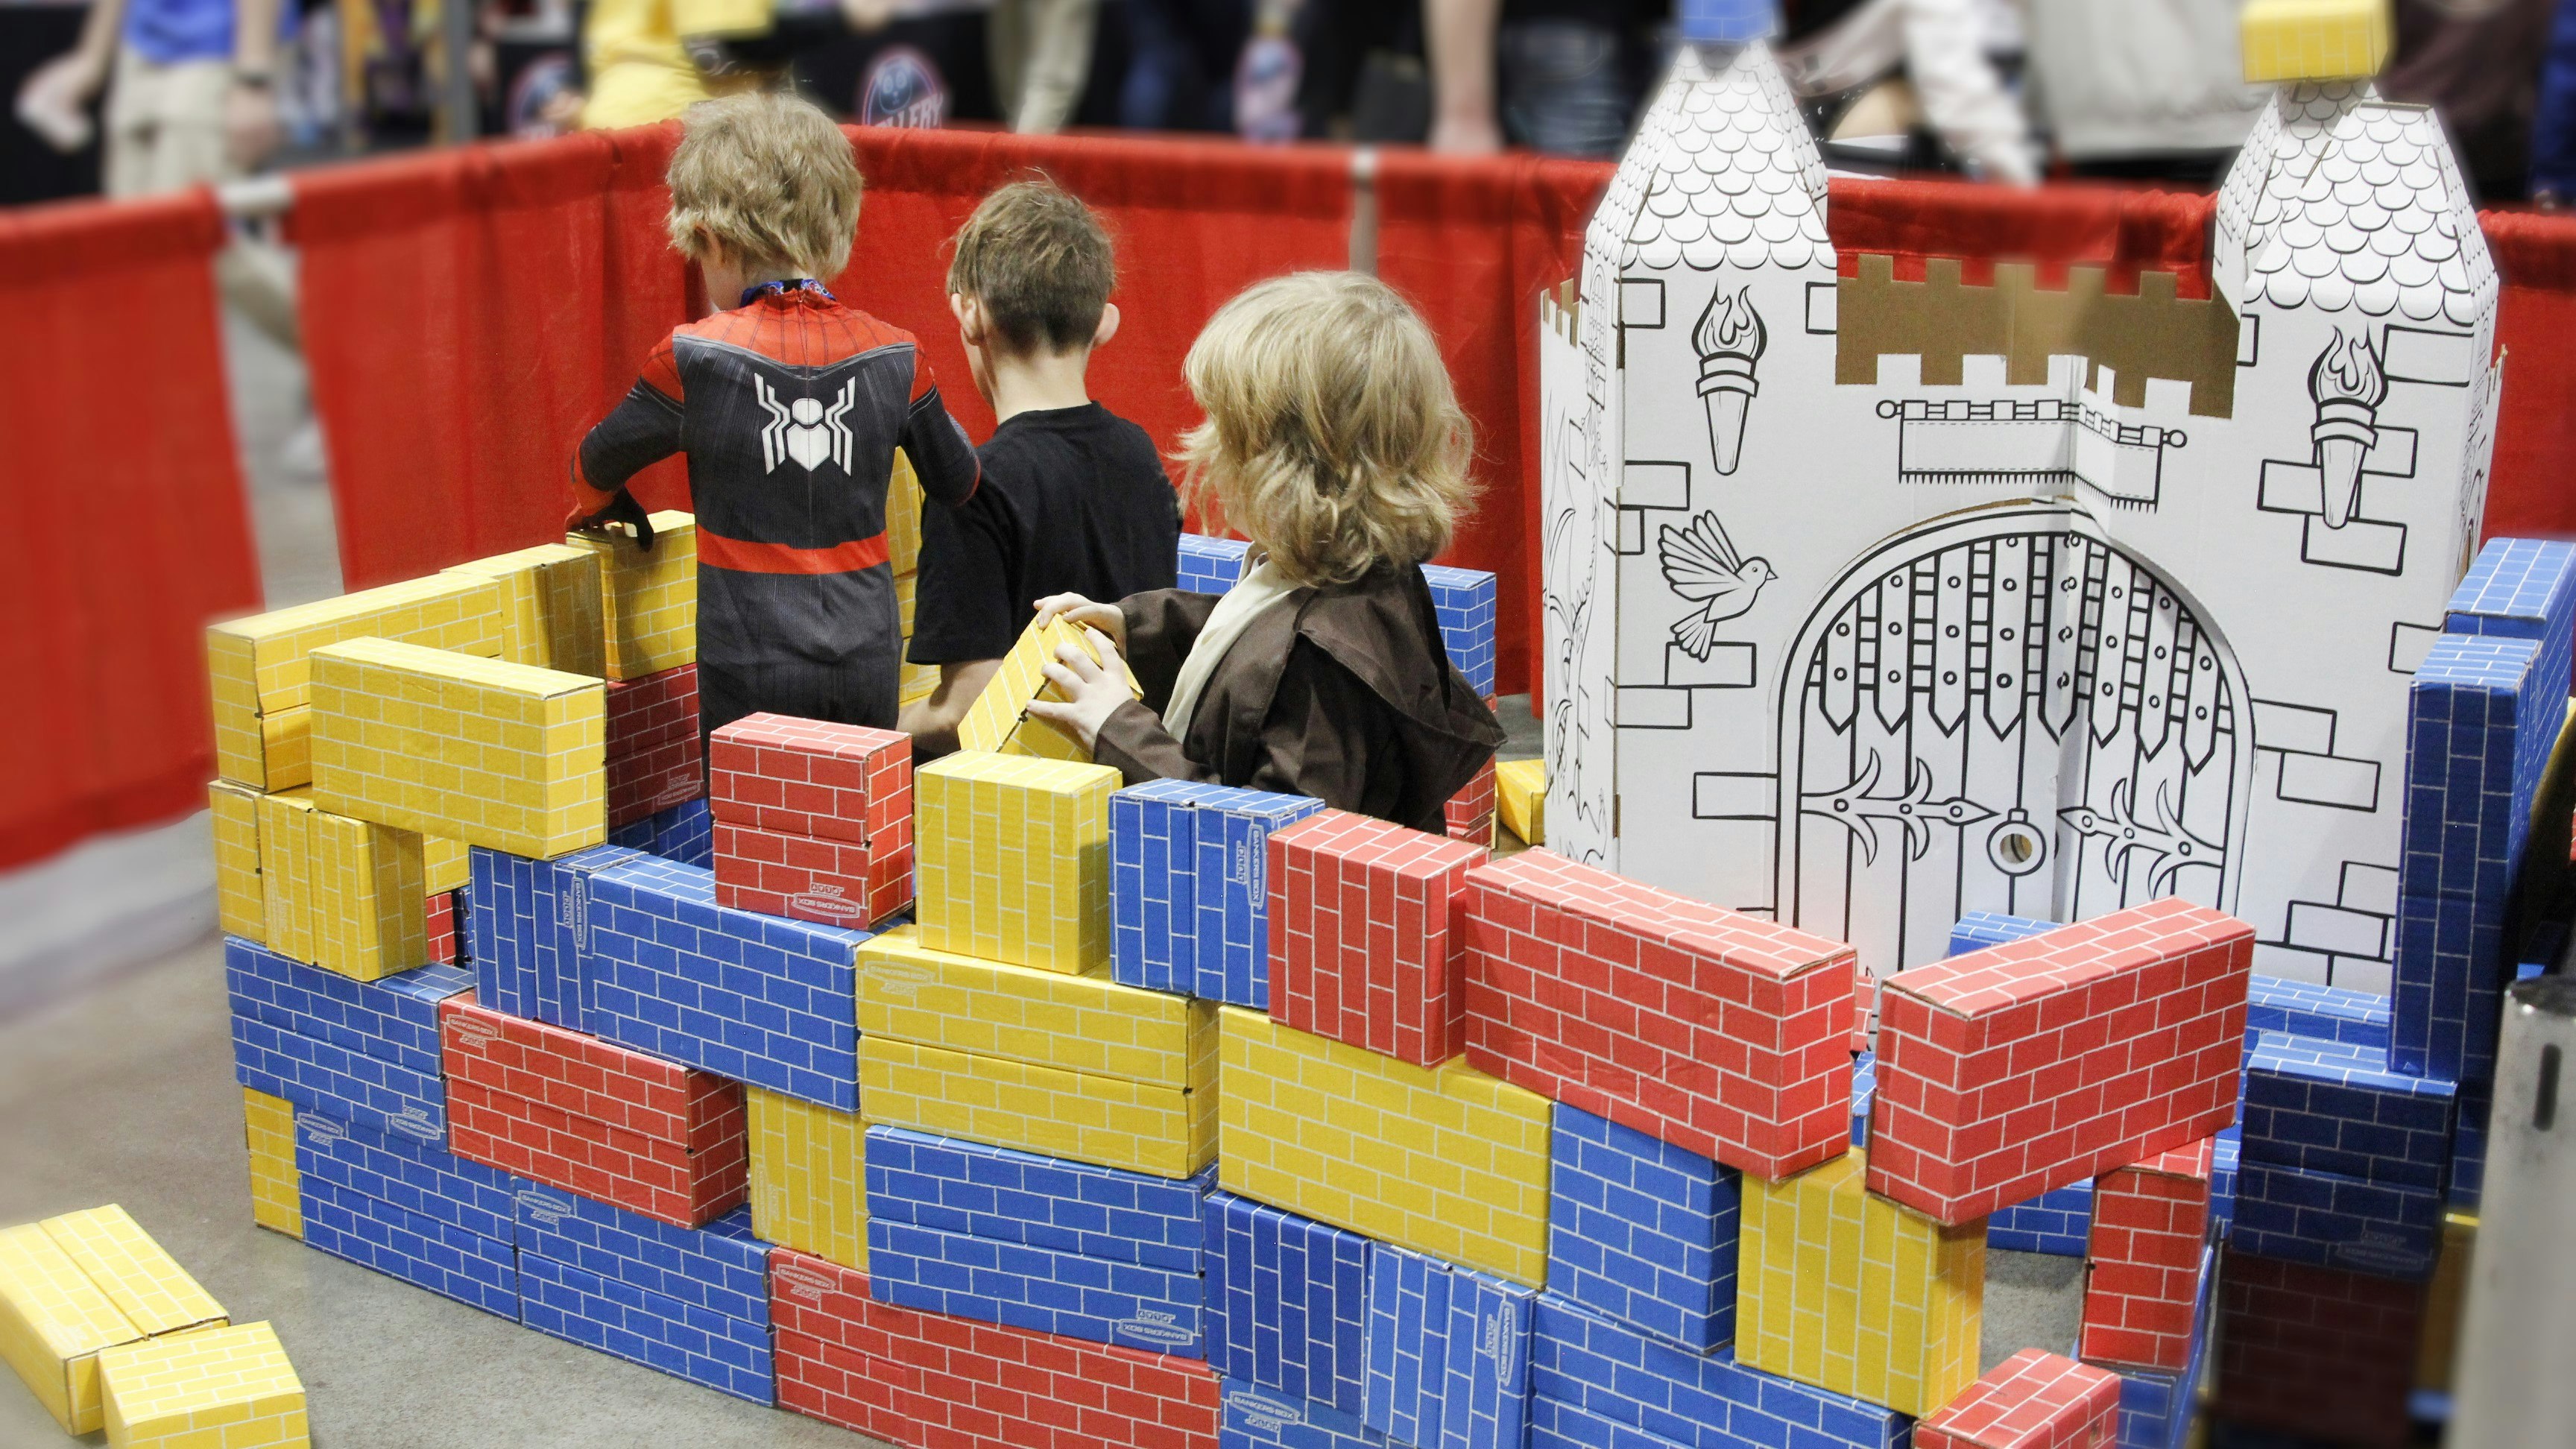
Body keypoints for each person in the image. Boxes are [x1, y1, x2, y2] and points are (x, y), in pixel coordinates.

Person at [1021, 271, 1505, 834]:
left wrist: (1118, 728)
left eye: (1226, 431)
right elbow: (1259, 642)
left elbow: (1271, 842)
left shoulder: (1331, 664)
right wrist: (1140, 627)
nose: (1208, 447)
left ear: (1287, 470)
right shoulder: (1349, 574)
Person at [566, 91, 981, 739]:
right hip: (866, 657)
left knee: (751, 830)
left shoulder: (689, 358)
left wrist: (602, 500)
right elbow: (962, 482)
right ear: (835, 224)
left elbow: (592, 464)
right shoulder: (900, 357)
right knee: (857, 828)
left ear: (710, 238)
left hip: (746, 662)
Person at [898, 179, 1181, 757]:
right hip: (1134, 765)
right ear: (1104, 322)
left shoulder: (973, 486)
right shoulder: (1140, 452)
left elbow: (969, 710)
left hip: (1026, 809)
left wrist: (857, 726)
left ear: (970, 314)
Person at [16, 0, 298, 345]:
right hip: (142, 47)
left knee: (194, 240)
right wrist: (92, 56)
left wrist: (253, 76)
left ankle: (351, 338)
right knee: (136, 253)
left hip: (221, 46)